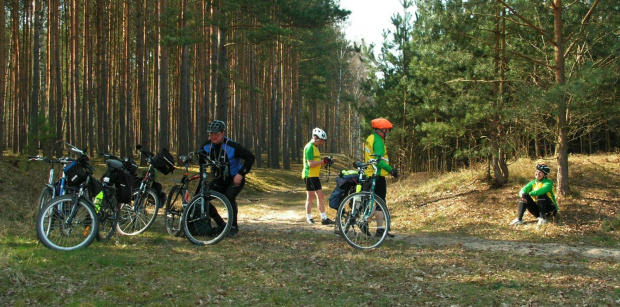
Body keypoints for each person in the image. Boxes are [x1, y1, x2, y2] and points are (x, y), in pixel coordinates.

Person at [198, 120, 255, 237]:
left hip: (234, 179)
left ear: (222, 133)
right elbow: (201, 158)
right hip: (218, 180)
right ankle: (221, 224)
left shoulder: (233, 146)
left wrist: (241, 173)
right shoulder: (206, 145)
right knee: (202, 197)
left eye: (216, 134)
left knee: (229, 197)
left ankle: (233, 227)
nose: (213, 137)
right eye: (211, 134)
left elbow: (250, 157)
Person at [364, 118, 399, 238]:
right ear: (382, 129)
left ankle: (380, 229)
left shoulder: (370, 138)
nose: (388, 132)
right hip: (377, 174)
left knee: (378, 202)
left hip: (369, 173)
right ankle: (367, 221)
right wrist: (391, 170)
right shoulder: (378, 141)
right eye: (387, 130)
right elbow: (379, 160)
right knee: (380, 203)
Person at [302, 127, 335, 225]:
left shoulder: (315, 148)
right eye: (321, 141)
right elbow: (311, 164)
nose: (322, 143)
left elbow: (318, 163)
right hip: (309, 175)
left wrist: (327, 162)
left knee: (321, 196)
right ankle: (309, 217)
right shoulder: (309, 147)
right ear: (316, 138)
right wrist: (323, 161)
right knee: (310, 197)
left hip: (315, 176)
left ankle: (324, 218)